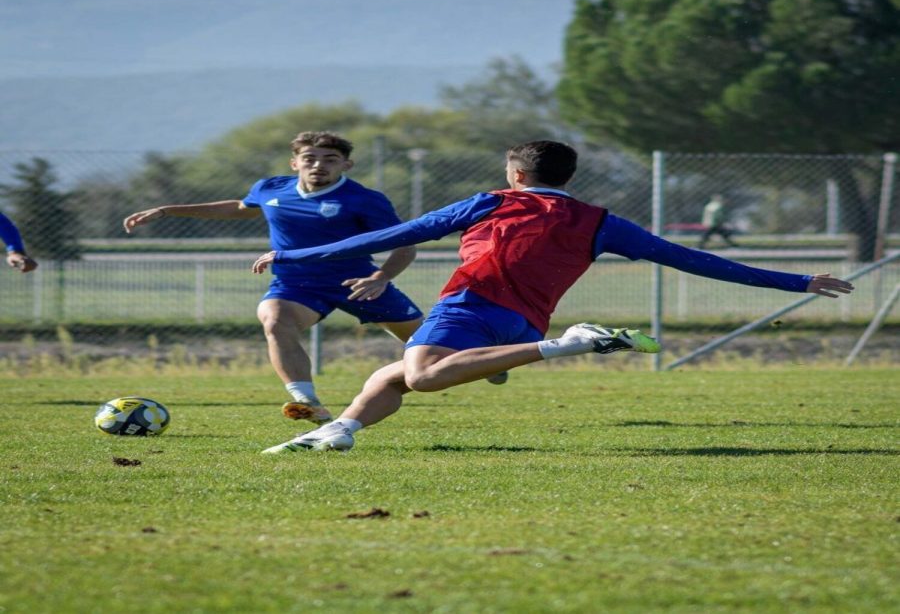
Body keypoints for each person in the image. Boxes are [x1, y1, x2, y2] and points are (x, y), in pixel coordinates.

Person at [252, 140, 854, 454]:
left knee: (426, 375)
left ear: (516, 174)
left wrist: (294, 255)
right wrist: (797, 281)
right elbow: (696, 259)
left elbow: (392, 235)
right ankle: (340, 431)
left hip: (473, 304)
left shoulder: (492, 200)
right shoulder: (600, 220)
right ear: (568, 178)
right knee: (390, 378)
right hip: (518, 318)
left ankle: (568, 346)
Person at [123, 131, 425, 424]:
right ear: (294, 163)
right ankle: (307, 401)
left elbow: (404, 245)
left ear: (346, 165)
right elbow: (240, 209)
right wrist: (166, 211)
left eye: (330, 159)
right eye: (309, 158)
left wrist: (381, 277)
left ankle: (460, 368)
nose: (318, 165)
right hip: (297, 285)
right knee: (274, 318)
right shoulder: (271, 189)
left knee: (434, 349)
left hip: (358, 284)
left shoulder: (365, 200)